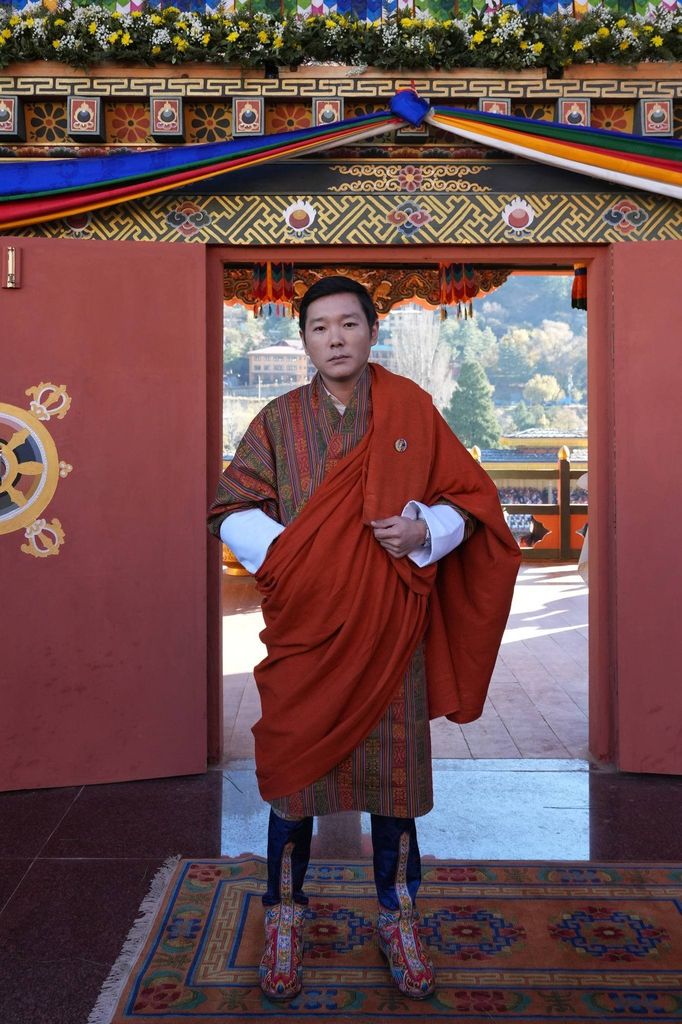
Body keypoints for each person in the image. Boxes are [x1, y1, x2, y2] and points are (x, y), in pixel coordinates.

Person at [208, 275, 520, 1002]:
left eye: (349, 324)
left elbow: (471, 499)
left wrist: (423, 529)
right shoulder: (277, 421)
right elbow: (230, 507)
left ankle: (399, 913)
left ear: (372, 331)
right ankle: (284, 913)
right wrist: (293, 554)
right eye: (320, 327)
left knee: (396, 785)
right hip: (309, 634)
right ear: (306, 339)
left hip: (391, 633)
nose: (336, 338)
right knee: (292, 777)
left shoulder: (411, 408)